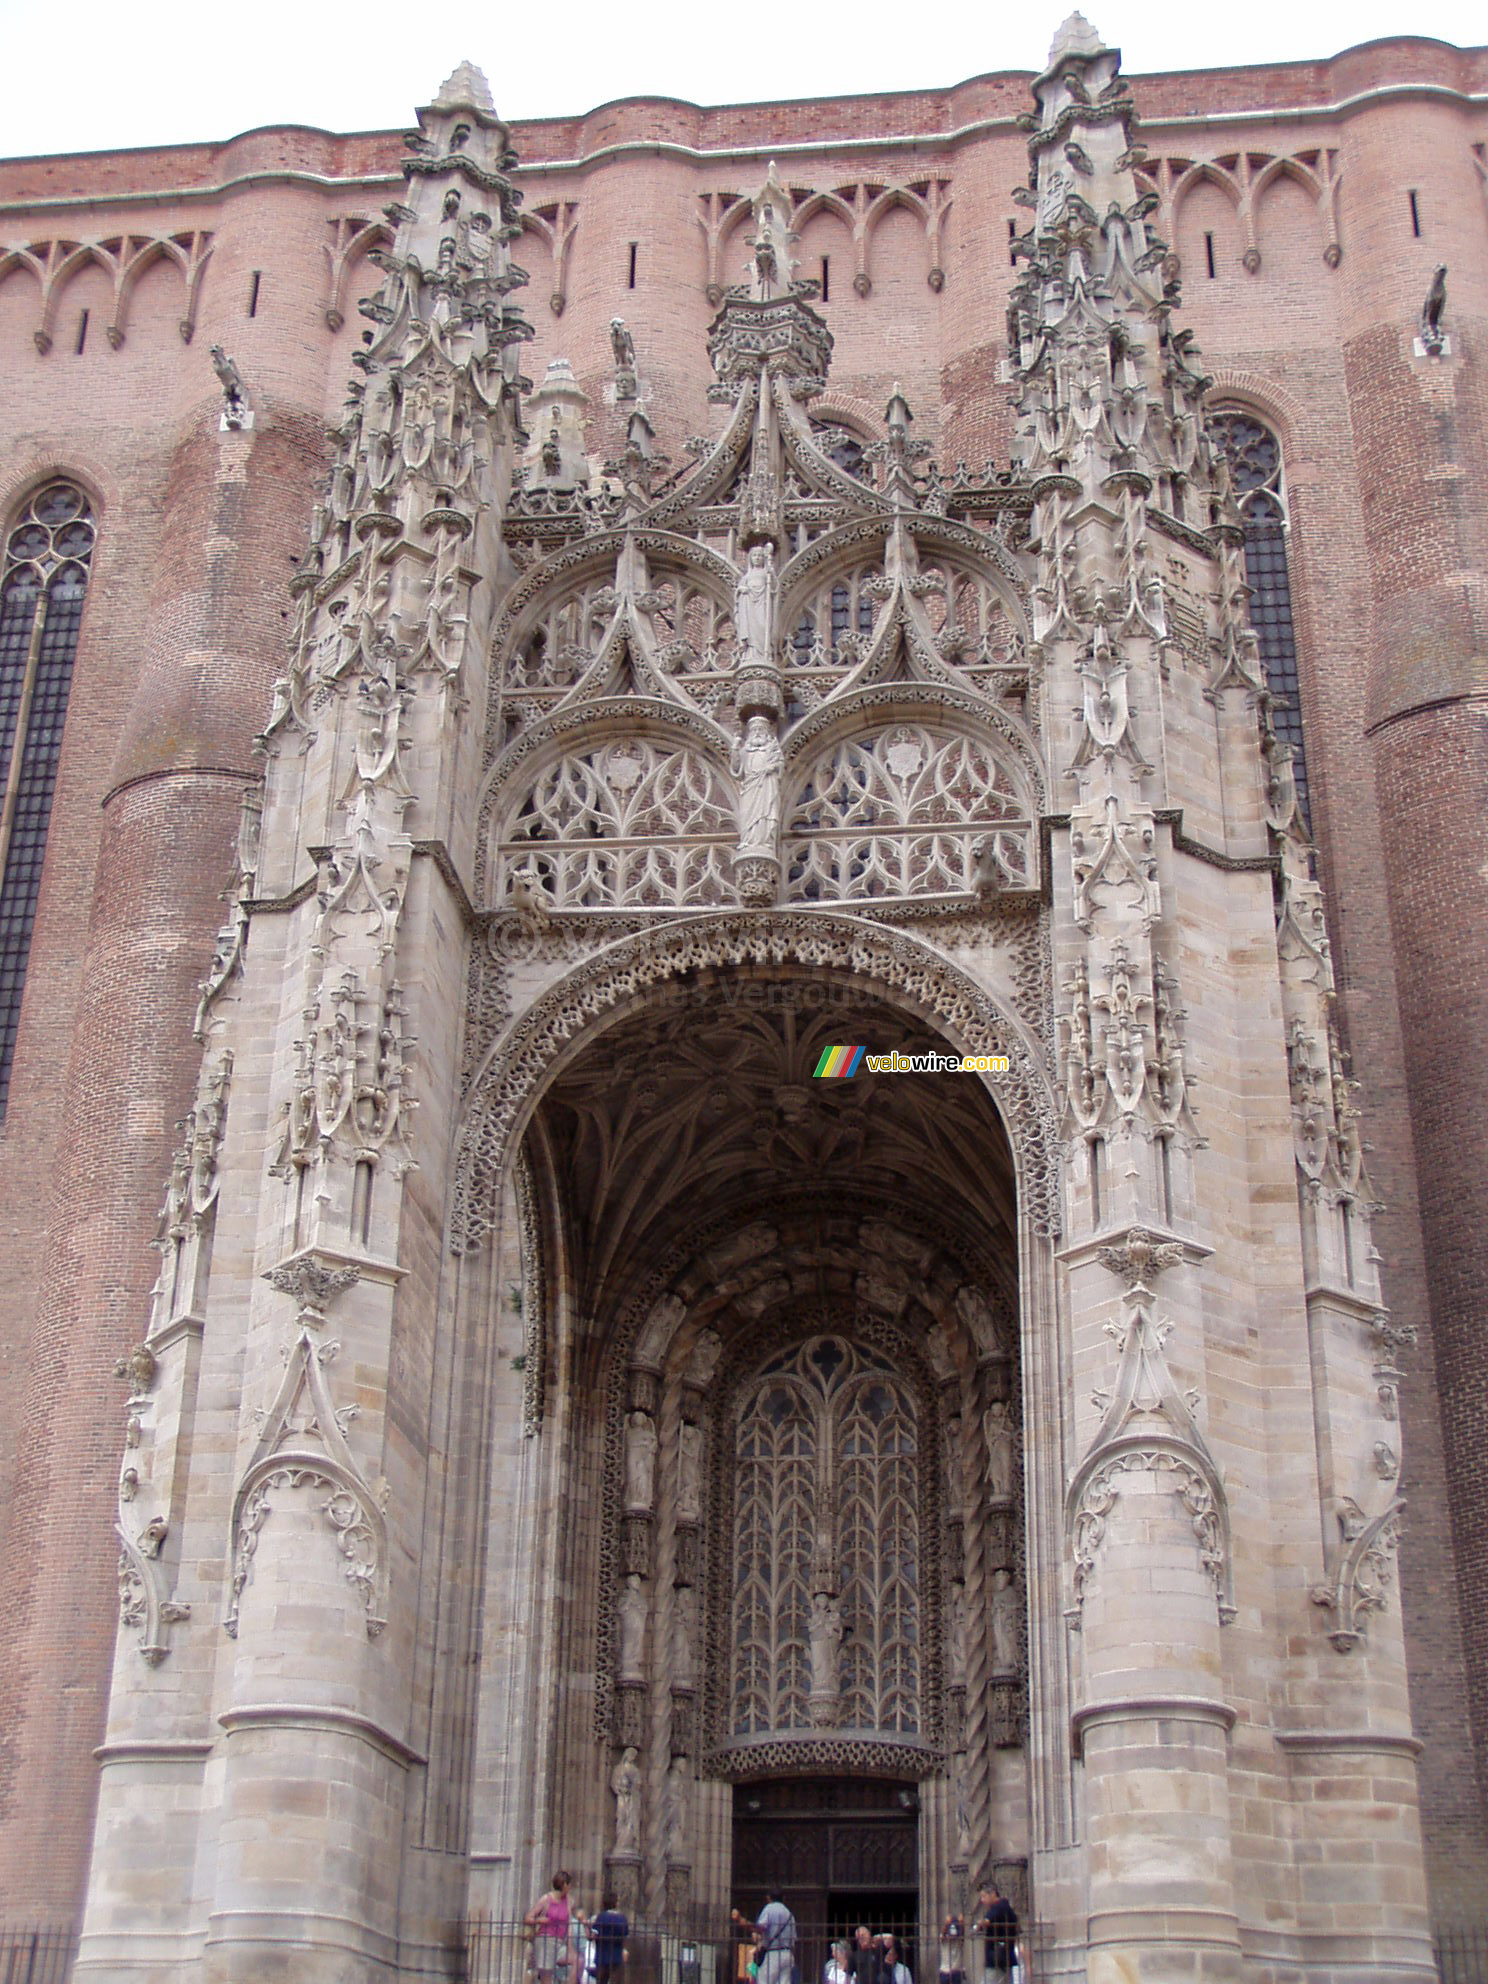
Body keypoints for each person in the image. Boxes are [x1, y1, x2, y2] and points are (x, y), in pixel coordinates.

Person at [731, 1892, 796, 1984]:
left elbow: (760, 1928)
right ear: (784, 1898)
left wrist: (741, 1920)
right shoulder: (789, 1914)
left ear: (768, 1898)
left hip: (774, 1954)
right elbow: (793, 1940)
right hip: (787, 1954)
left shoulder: (769, 1909)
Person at [526, 1871, 574, 1984]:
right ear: (565, 1885)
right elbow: (528, 1918)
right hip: (546, 1939)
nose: (571, 1887)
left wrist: (570, 1944)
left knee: (574, 1963)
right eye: (570, 1884)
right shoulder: (546, 1899)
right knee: (546, 1975)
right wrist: (539, 1920)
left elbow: (570, 1923)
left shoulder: (569, 1901)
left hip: (561, 1940)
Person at [974, 1886, 1018, 1978]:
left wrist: (978, 1926)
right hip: (1003, 1957)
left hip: (997, 1958)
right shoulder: (1004, 1907)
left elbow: (987, 1921)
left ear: (993, 1894)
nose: (982, 1900)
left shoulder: (999, 1906)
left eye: (984, 1896)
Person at [588, 1890, 629, 1984]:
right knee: (616, 1980)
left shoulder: (601, 1917)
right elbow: (625, 1935)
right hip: (617, 1955)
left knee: (602, 1980)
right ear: (616, 1903)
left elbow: (594, 1934)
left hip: (602, 1955)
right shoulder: (622, 1918)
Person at [937, 1913, 965, 1984]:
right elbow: (942, 1935)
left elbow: (962, 1934)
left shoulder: (959, 1940)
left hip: (956, 1971)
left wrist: (961, 1923)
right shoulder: (944, 1940)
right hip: (945, 1971)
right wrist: (947, 1924)